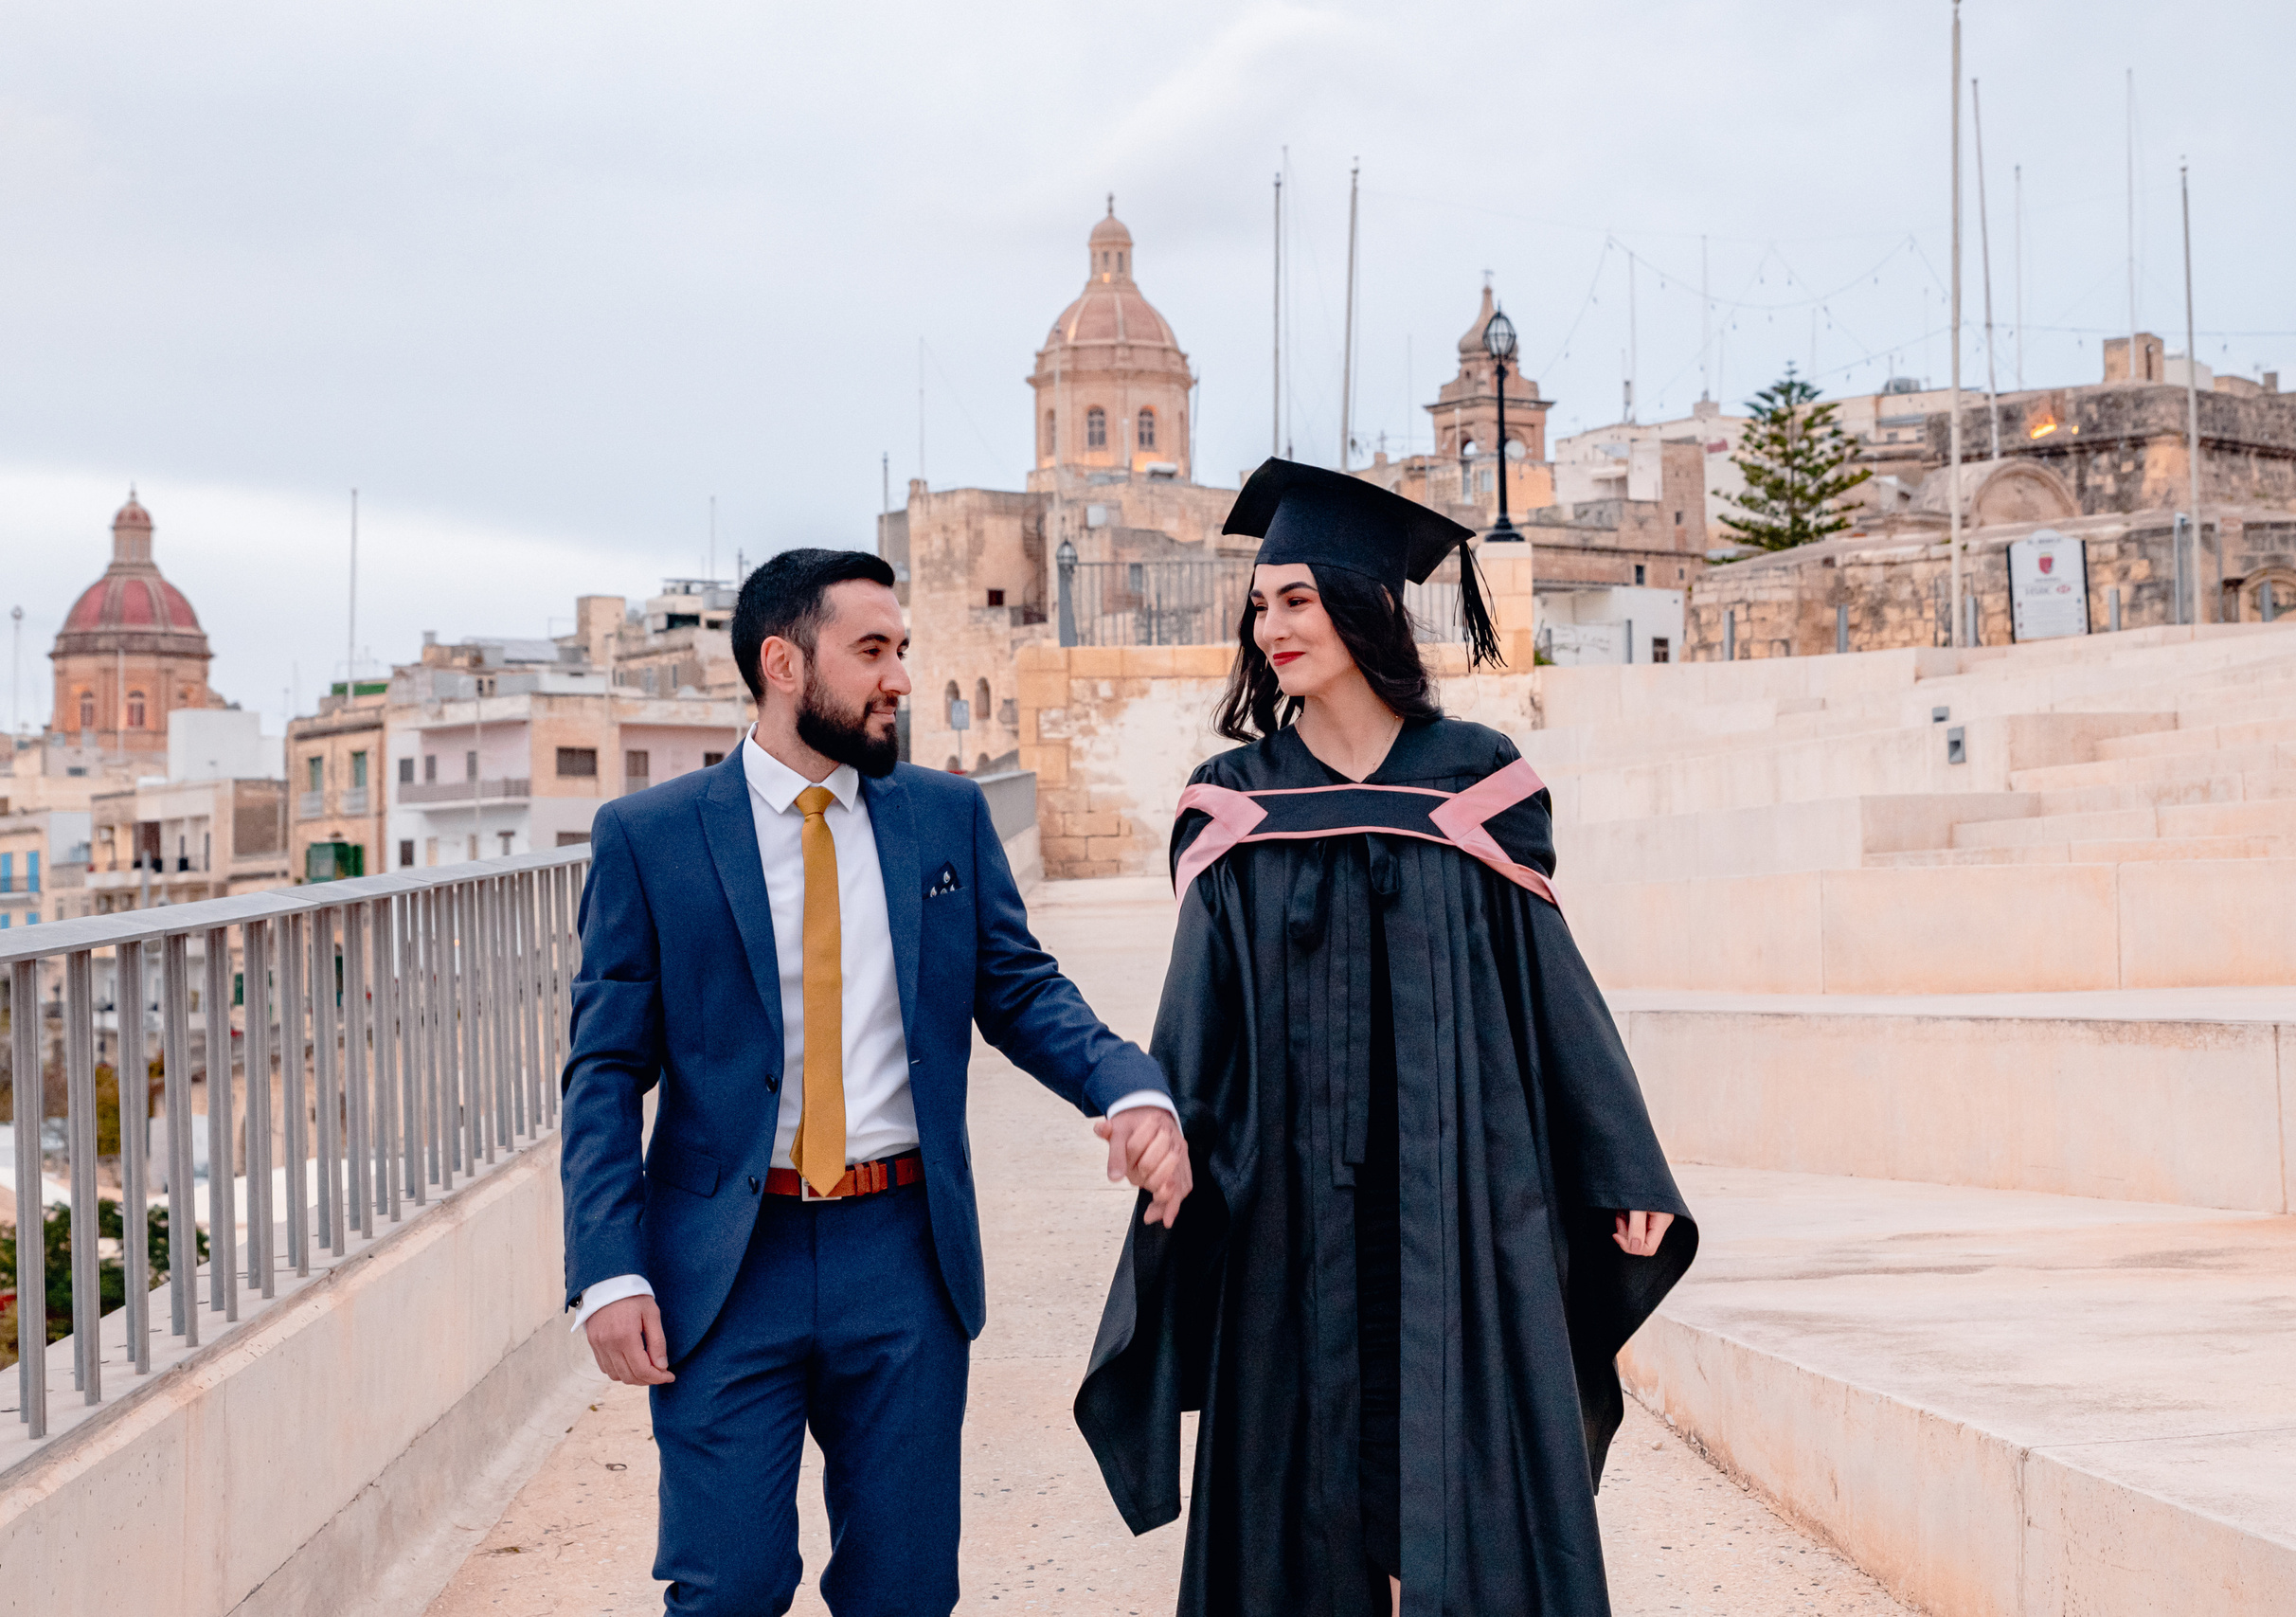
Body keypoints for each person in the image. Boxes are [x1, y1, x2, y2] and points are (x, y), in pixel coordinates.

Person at [1075, 461, 1696, 1617]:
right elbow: (1197, 1013)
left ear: (1362, 604)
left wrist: (1619, 1161)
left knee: (1461, 1471)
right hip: (1287, 1212)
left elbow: (1547, 982)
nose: (1272, 629)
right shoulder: (1232, 802)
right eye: (1259, 606)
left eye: (1296, 600)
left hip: (1458, 1192)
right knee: (1305, 1485)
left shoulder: (1475, 783)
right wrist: (1164, 1128)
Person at [563, 547, 1192, 1617]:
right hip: (725, 1266)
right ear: (782, 663)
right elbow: (606, 1066)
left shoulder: (941, 818)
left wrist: (1126, 1088)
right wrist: (609, 1270)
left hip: (901, 1255)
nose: (899, 675)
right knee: (726, 1585)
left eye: (902, 649)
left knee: (902, 1589)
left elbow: (1021, 991)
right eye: (870, 651)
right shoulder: (651, 838)